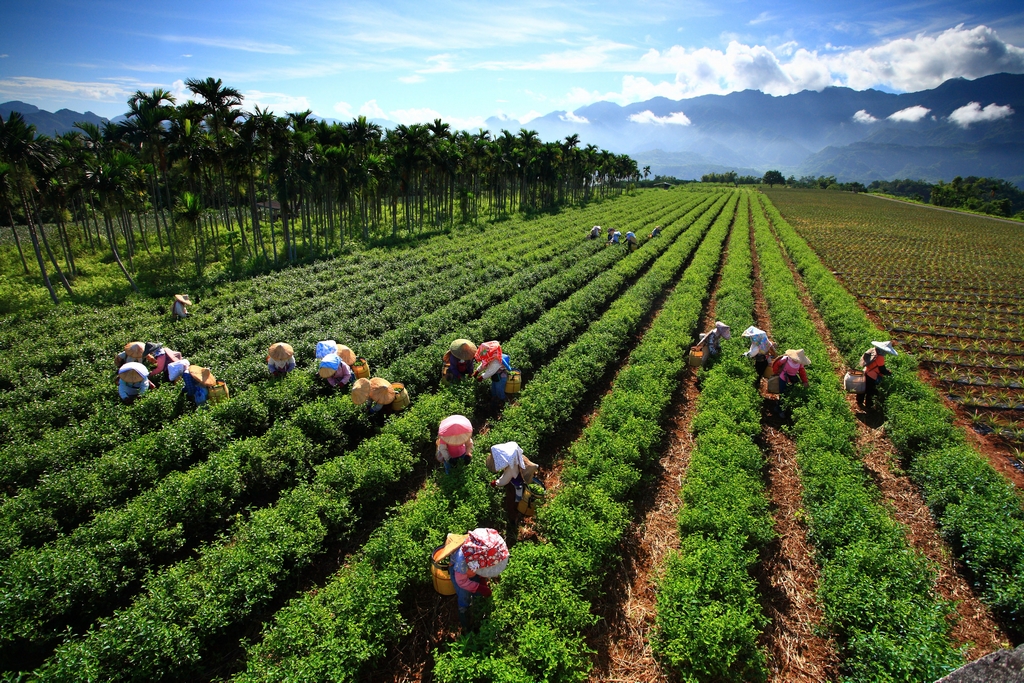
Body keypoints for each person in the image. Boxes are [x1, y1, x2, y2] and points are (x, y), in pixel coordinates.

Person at [449, 528, 509, 633]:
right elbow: (461, 581)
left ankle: (478, 612)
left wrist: (481, 578)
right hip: (461, 577)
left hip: (473, 571)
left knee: (477, 595)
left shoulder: (486, 544)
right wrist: (479, 587)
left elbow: (486, 565)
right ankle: (465, 623)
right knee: (464, 597)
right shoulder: (461, 560)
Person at [488, 441, 539, 537]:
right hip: (520, 482)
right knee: (518, 498)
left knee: (511, 502)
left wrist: (496, 483)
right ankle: (518, 511)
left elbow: (504, 480)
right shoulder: (520, 458)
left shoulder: (511, 469)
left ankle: (513, 519)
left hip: (514, 486)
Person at [858, 341, 897, 410]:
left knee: (862, 388)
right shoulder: (880, 357)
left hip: (865, 371)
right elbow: (882, 369)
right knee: (870, 391)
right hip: (872, 376)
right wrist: (888, 372)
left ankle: (859, 401)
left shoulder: (873, 351)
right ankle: (868, 405)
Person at [771, 349, 810, 415]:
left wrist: (805, 381)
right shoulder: (785, 359)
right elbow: (776, 364)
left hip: (791, 380)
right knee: (783, 393)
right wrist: (776, 372)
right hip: (783, 378)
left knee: (788, 394)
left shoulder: (800, 364)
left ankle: (783, 407)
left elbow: (802, 372)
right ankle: (779, 409)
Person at [474, 341, 510, 411]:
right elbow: (484, 363)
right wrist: (477, 371)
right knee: (493, 390)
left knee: (499, 391)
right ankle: (494, 401)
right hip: (495, 376)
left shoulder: (496, 361)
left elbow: (490, 371)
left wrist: (482, 377)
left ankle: (504, 404)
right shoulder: (489, 356)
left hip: (501, 378)